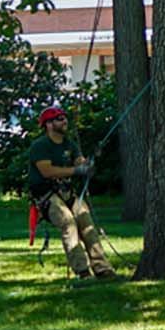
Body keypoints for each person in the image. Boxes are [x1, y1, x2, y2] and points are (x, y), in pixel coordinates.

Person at [27, 106, 115, 279]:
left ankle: (102, 268)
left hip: (67, 192)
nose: (64, 121)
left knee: (86, 222)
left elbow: (80, 162)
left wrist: (89, 163)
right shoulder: (41, 146)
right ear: (49, 124)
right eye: (59, 118)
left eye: (64, 118)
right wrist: (76, 171)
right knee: (68, 223)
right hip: (46, 195)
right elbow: (48, 171)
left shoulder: (70, 144)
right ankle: (82, 271)